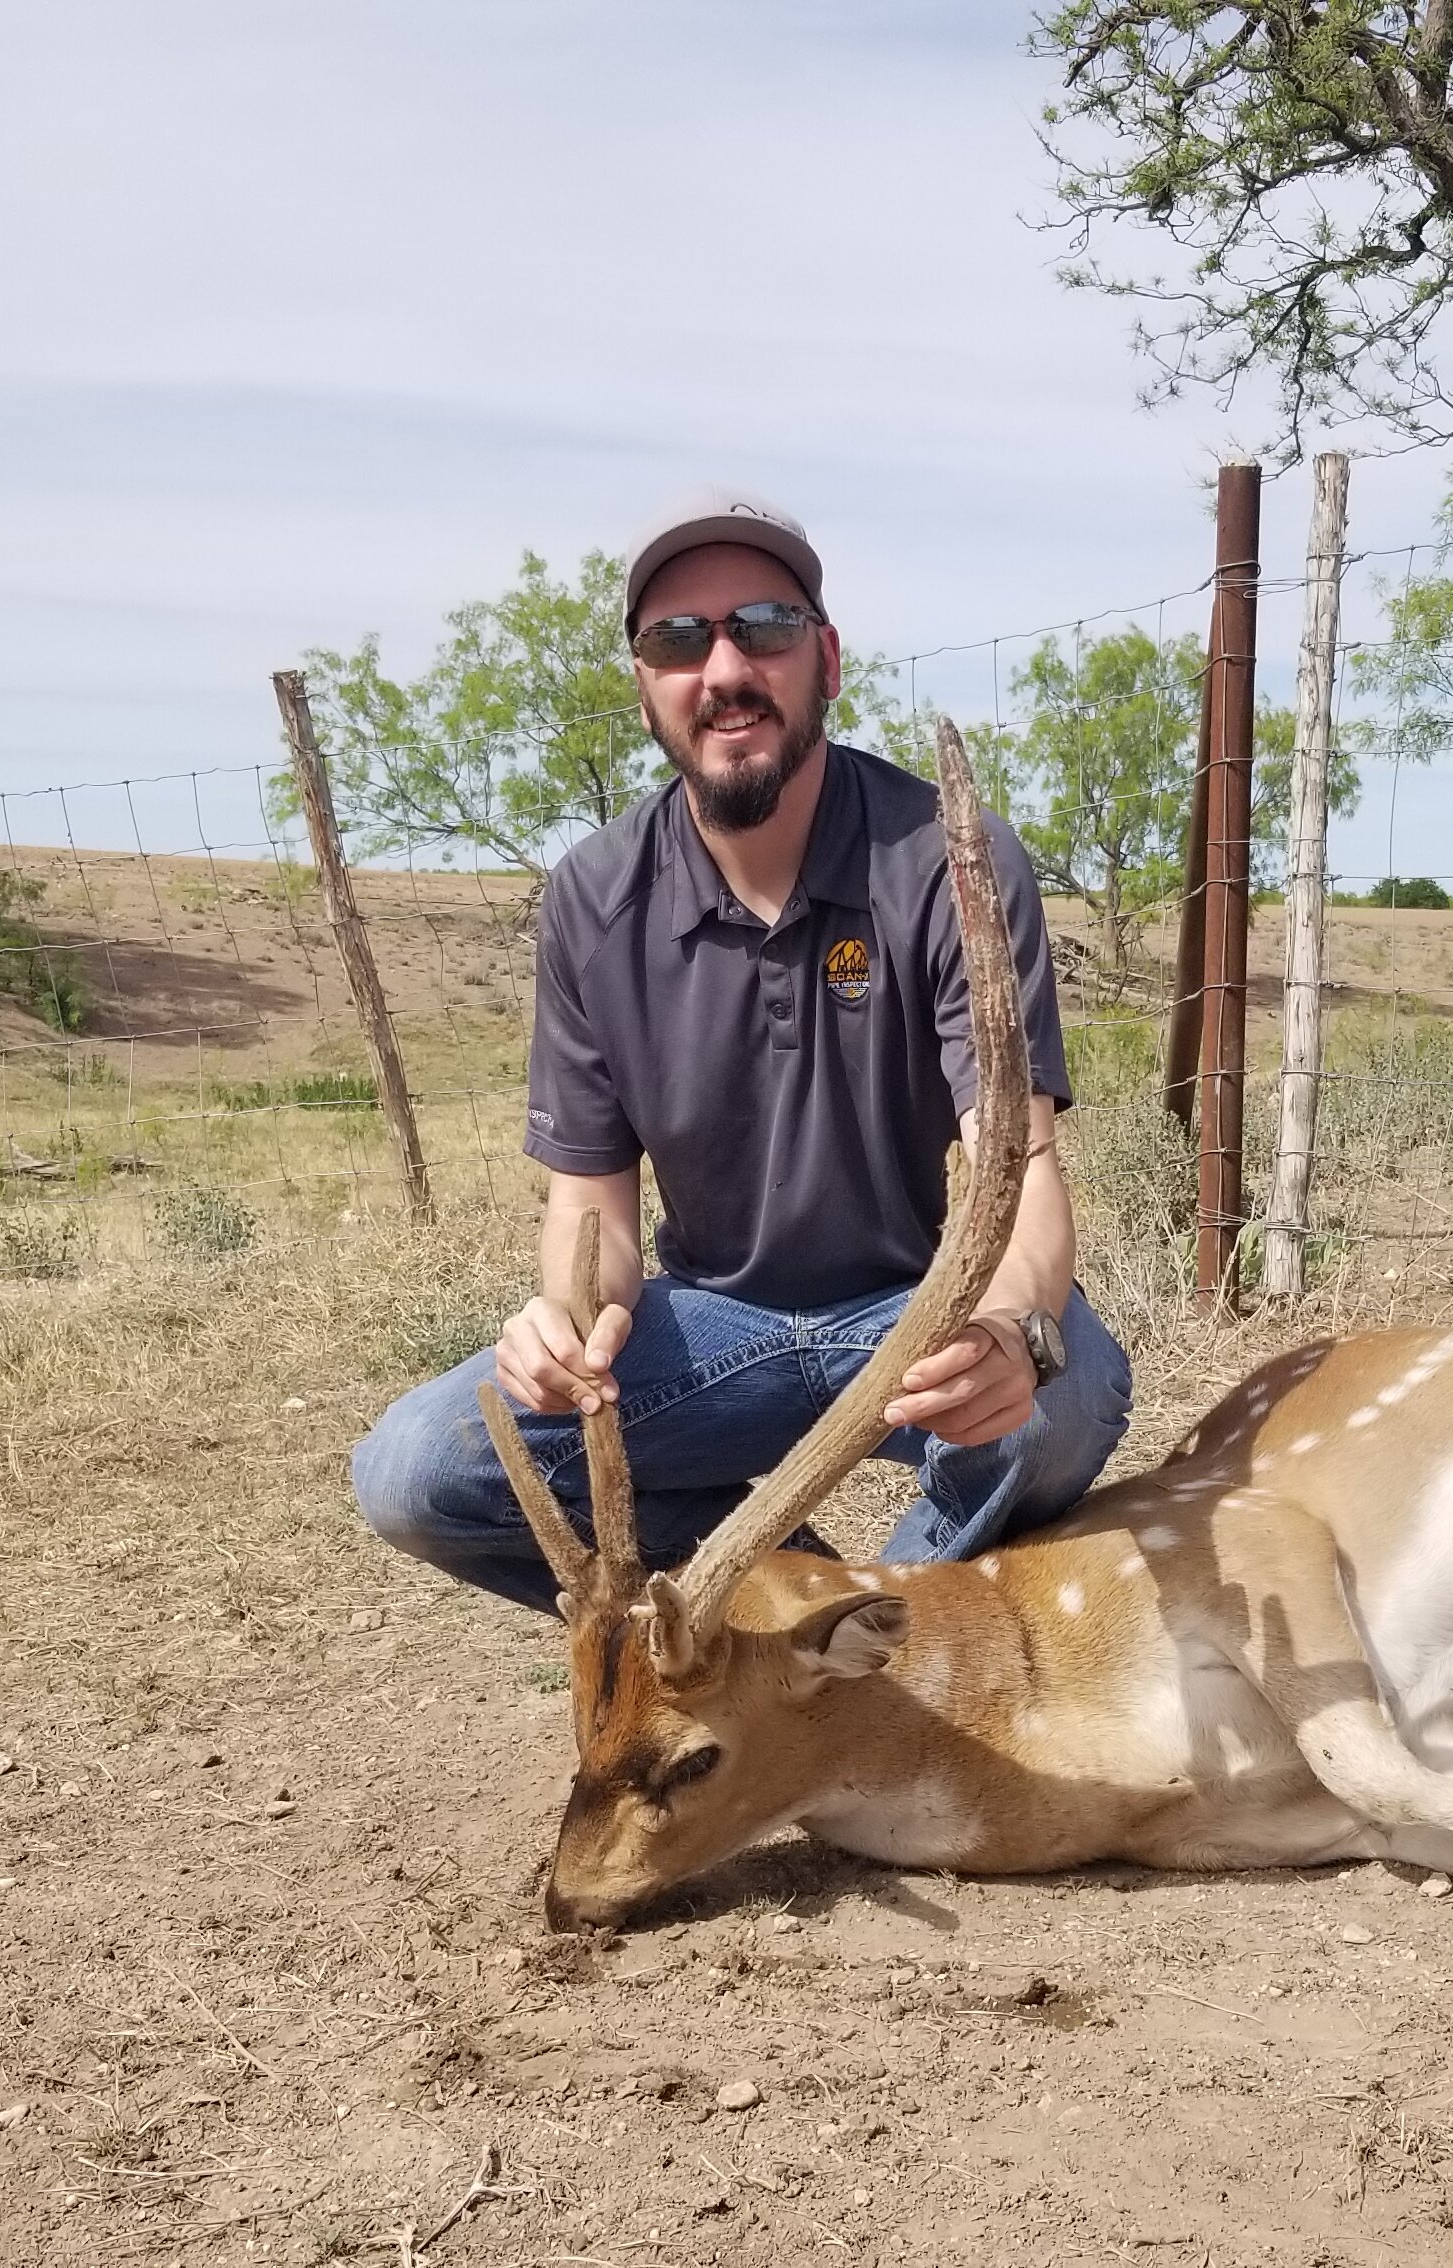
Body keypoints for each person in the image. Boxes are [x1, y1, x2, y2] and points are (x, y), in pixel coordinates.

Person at [349, 487, 1134, 1613]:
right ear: (644, 688)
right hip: (712, 1326)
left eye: (761, 627)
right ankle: (798, 1617)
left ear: (826, 658)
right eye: (679, 639)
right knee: (417, 1473)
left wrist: (1012, 1328)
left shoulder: (950, 859)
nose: (723, 669)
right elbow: (593, 1213)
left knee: (1057, 1412)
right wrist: (565, 1327)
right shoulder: (593, 897)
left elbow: (1024, 1170)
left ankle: (869, 1642)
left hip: (917, 1309)